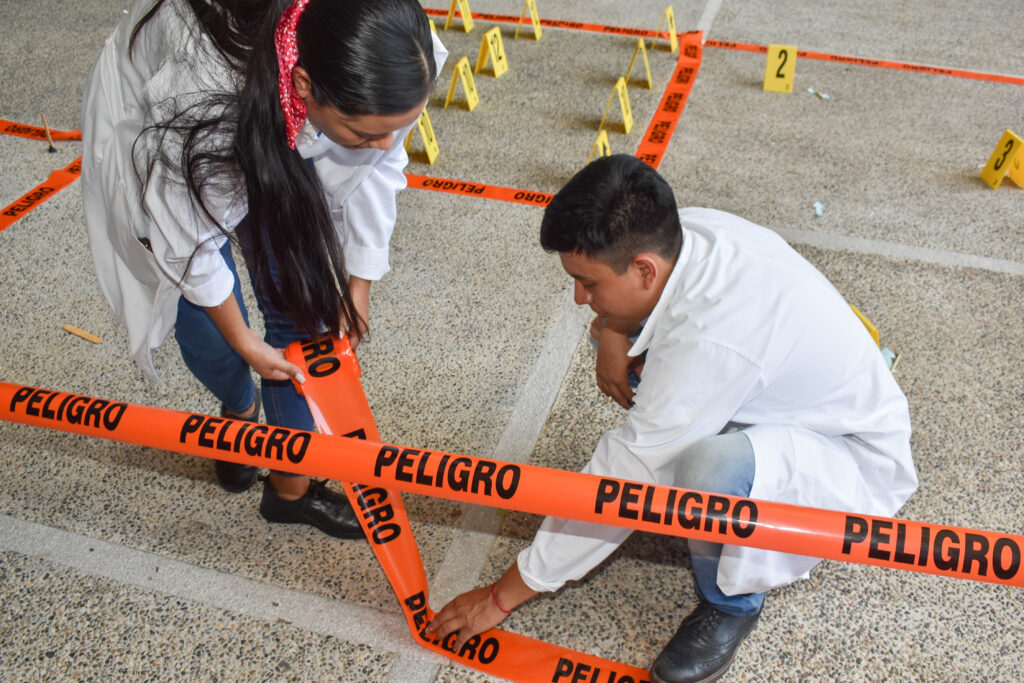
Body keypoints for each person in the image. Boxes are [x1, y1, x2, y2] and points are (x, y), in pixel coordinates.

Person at [426, 155, 918, 683]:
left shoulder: (713, 338)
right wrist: (613, 333)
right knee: (637, 351)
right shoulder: (689, 232)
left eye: (587, 283)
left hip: (847, 456)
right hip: (782, 397)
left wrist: (504, 596)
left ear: (643, 269)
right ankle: (701, 482)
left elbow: (624, 479)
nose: (579, 298)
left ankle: (730, 603)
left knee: (704, 470)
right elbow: (655, 321)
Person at [81, 0, 446, 538]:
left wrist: (359, 281)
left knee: (302, 311)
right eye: (365, 132)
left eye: (397, 126)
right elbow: (189, 243)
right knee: (202, 317)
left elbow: (380, 166)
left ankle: (288, 491)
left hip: (276, 107)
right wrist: (245, 339)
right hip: (169, 124)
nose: (386, 144)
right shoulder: (204, 96)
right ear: (303, 85)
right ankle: (238, 407)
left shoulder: (390, 45)